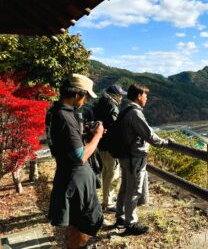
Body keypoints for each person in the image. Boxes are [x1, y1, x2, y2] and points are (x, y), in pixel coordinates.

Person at [45, 74, 104, 248]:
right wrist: (98, 136)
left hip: (67, 176)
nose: (85, 101)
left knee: (75, 222)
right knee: (85, 222)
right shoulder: (66, 117)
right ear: (78, 94)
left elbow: (66, 143)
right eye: (85, 96)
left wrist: (86, 135)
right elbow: (80, 156)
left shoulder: (55, 111)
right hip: (76, 181)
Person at [115, 83, 172, 235]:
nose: (147, 98)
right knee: (134, 191)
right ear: (139, 96)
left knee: (125, 187)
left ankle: (120, 217)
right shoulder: (135, 113)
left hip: (125, 155)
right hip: (135, 157)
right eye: (145, 95)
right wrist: (166, 142)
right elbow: (149, 135)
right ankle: (131, 223)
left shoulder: (125, 109)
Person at [93, 84, 126, 212]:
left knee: (106, 173)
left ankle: (107, 199)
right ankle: (108, 203)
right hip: (110, 146)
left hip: (101, 144)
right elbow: (115, 127)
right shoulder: (112, 106)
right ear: (114, 95)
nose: (121, 97)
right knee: (112, 174)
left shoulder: (101, 103)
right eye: (120, 94)